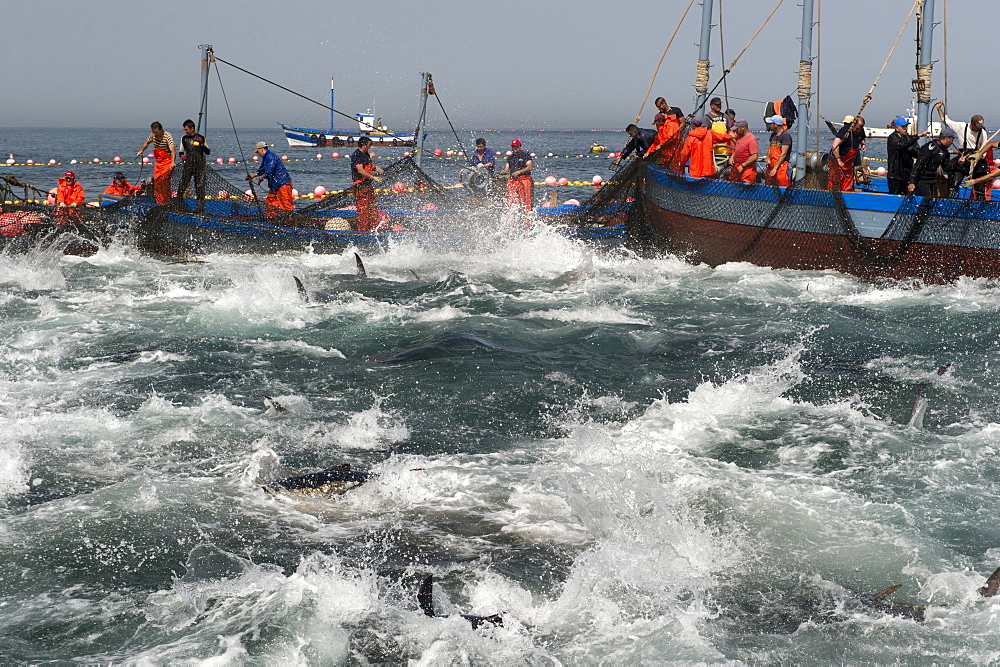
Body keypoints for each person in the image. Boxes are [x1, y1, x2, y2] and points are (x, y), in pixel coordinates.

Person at [935, 101, 993, 199]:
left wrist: (978, 158)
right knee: (954, 184)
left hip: (976, 160)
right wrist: (939, 108)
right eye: (977, 127)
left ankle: (980, 206)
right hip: (963, 159)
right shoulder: (961, 127)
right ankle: (950, 202)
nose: (979, 129)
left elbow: (984, 148)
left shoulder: (982, 133)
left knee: (980, 189)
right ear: (972, 124)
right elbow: (946, 120)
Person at [246, 141, 294, 218]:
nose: (257, 154)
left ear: (261, 149)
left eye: (257, 151)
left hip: (283, 184)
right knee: (270, 204)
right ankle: (271, 219)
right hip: (274, 186)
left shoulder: (270, 157)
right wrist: (252, 176)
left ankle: (291, 221)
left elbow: (270, 170)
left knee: (286, 204)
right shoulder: (265, 158)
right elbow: (261, 170)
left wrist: (263, 177)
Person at [907, 127, 957, 197]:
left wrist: (958, 161)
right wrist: (912, 182)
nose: (952, 143)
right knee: (926, 201)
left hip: (932, 180)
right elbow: (918, 165)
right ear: (947, 138)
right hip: (922, 180)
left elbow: (947, 168)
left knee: (933, 200)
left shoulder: (944, 152)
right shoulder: (930, 147)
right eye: (952, 140)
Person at [136, 121, 177, 206]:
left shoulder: (167, 136)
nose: (155, 134)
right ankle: (159, 201)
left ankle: (166, 202)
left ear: (161, 130)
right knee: (157, 182)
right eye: (153, 132)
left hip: (167, 161)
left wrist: (172, 162)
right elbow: (146, 143)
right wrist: (141, 150)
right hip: (159, 162)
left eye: (156, 132)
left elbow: (173, 150)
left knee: (164, 181)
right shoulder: (153, 135)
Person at [175, 119, 211, 211]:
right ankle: (178, 204)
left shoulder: (201, 138)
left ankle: (200, 208)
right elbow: (181, 151)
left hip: (200, 165)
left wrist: (201, 145)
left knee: (199, 186)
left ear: (192, 128)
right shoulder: (184, 138)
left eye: (186, 129)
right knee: (182, 184)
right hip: (188, 164)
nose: (185, 131)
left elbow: (208, 152)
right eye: (184, 130)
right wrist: (182, 156)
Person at [350, 136, 384, 231]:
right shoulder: (357, 155)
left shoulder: (366, 154)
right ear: (364, 145)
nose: (370, 146)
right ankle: (363, 231)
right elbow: (360, 170)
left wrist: (376, 168)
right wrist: (373, 177)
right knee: (363, 210)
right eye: (369, 145)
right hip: (360, 186)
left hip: (368, 185)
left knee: (372, 208)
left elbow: (369, 164)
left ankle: (373, 228)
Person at [885, 117, 927, 195]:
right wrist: (917, 136)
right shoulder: (892, 138)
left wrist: (911, 149)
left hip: (907, 175)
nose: (905, 129)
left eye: (906, 127)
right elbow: (902, 145)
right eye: (903, 127)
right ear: (897, 129)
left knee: (910, 194)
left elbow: (919, 154)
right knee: (894, 194)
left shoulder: (910, 139)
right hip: (895, 175)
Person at [828, 116, 867, 191]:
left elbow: (862, 138)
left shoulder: (860, 130)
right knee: (835, 181)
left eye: (860, 129)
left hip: (849, 162)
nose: (858, 131)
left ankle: (847, 194)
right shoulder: (845, 131)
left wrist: (863, 144)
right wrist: (839, 161)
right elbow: (834, 145)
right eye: (857, 129)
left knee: (848, 182)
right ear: (853, 124)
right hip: (838, 160)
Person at [648, 97, 685, 169]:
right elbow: (661, 131)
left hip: (675, 141)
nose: (658, 108)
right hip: (665, 143)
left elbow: (683, 123)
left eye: (659, 106)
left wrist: (676, 133)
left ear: (664, 103)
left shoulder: (676, 110)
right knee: (665, 162)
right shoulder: (660, 115)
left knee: (676, 163)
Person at [499, 139, 534, 213]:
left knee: (526, 202)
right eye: (513, 147)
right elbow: (506, 169)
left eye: (517, 147)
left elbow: (530, 167)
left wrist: (519, 172)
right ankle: (512, 222)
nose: (515, 148)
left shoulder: (525, 156)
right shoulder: (510, 158)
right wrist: (501, 172)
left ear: (520, 146)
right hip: (513, 181)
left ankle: (528, 221)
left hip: (524, 180)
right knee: (511, 201)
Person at [763, 114, 792, 186]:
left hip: (781, 165)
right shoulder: (773, 135)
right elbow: (770, 147)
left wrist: (775, 168)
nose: (770, 125)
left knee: (781, 182)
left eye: (771, 124)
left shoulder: (785, 136)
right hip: (772, 163)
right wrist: (767, 156)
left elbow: (784, 154)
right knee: (768, 182)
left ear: (776, 125)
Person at [706, 97, 733, 169]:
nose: (719, 106)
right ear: (711, 106)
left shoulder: (725, 116)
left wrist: (731, 148)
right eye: (717, 105)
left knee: (723, 170)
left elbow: (729, 132)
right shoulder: (707, 118)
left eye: (720, 104)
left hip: (724, 151)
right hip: (713, 151)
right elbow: (704, 134)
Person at [729, 119, 759, 184]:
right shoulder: (739, 137)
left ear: (743, 128)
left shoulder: (751, 139)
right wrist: (732, 157)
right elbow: (737, 149)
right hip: (737, 167)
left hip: (747, 169)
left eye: (737, 129)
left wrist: (743, 165)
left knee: (746, 186)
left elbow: (754, 156)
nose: (736, 131)